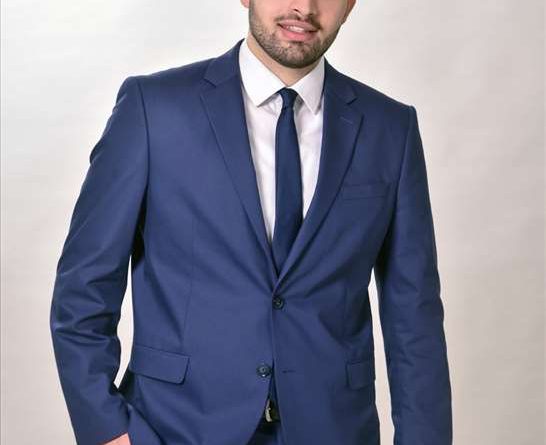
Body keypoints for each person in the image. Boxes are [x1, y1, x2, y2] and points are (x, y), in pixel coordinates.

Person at [49, 0, 453, 444]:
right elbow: (84, 287)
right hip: (174, 428)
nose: (304, 6)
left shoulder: (390, 128)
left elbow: (414, 315)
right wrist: (107, 430)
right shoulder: (154, 109)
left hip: (333, 429)